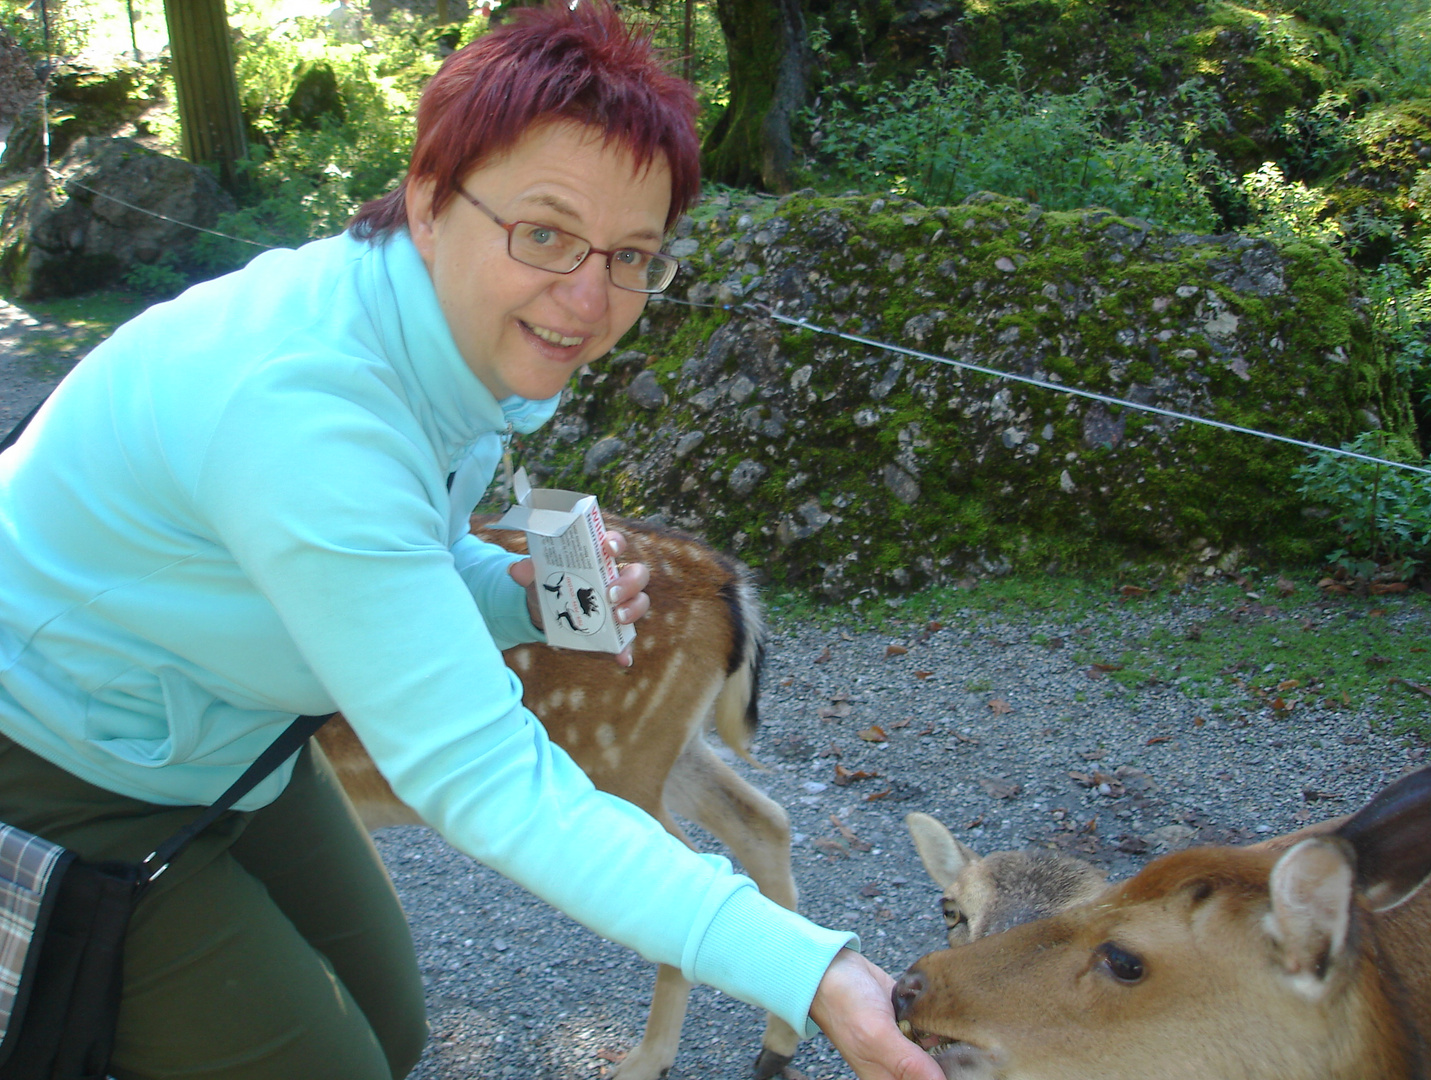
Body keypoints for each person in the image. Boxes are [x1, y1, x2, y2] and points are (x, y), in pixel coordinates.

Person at [0, 4, 946, 1080]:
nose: (589, 300)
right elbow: (486, 777)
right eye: (543, 233)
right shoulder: (307, 410)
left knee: (391, 1025)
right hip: (61, 747)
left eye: (632, 254)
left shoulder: (431, 334)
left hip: (229, 729)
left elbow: (393, 552)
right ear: (429, 202)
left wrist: (520, 598)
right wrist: (809, 968)